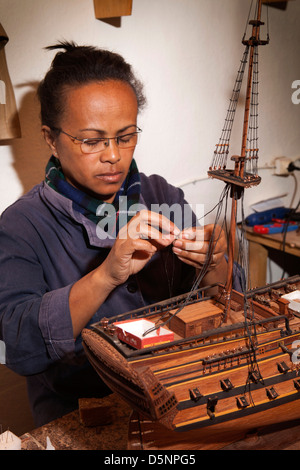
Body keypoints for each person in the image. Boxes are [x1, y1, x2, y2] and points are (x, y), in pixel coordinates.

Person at [0, 42, 231, 427]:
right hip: (82, 410)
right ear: (50, 139)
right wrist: (106, 276)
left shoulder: (161, 196)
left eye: (126, 136)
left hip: (175, 387)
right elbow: (17, 347)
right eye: (92, 141)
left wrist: (214, 263)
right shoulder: (21, 226)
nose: (113, 155)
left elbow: (219, 304)